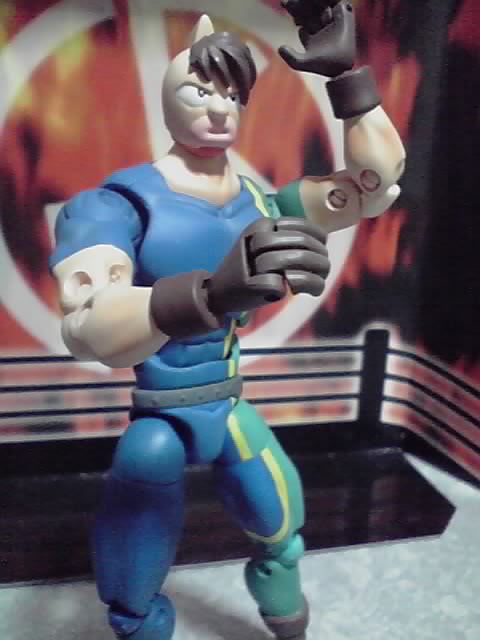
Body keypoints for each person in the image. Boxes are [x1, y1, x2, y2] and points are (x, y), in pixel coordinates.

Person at [50, 3, 405, 639]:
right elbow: (88, 324)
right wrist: (208, 295)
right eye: (200, 91)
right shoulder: (117, 204)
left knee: (283, 533)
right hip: (161, 417)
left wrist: (348, 82)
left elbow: (371, 185)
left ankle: (287, 623)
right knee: (133, 590)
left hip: (229, 407)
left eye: (232, 96)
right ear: (169, 100)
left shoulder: (260, 201)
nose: (219, 109)